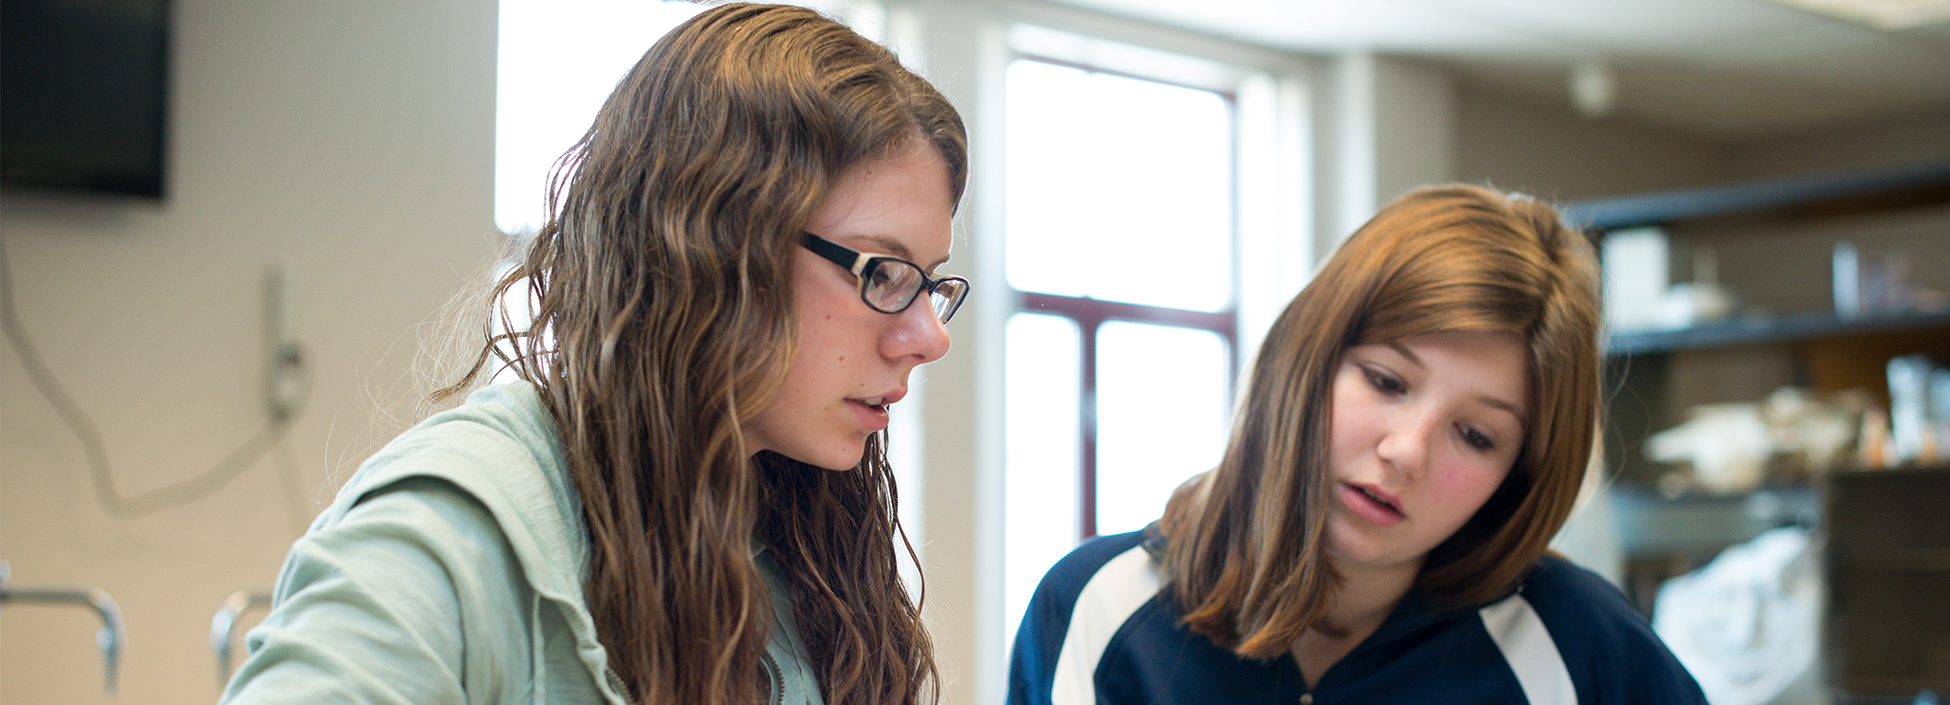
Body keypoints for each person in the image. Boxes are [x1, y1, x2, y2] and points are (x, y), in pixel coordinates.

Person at [221, 4, 968, 705]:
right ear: (713, 246)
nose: (929, 336)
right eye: (884, 273)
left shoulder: (799, 530)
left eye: (931, 283)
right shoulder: (456, 531)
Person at [1008, 184, 1706, 704]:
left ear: (1519, 473)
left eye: (1475, 434)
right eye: (1386, 380)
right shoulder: (1095, 607)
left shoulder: (1581, 644)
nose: (1408, 450)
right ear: (1307, 357)